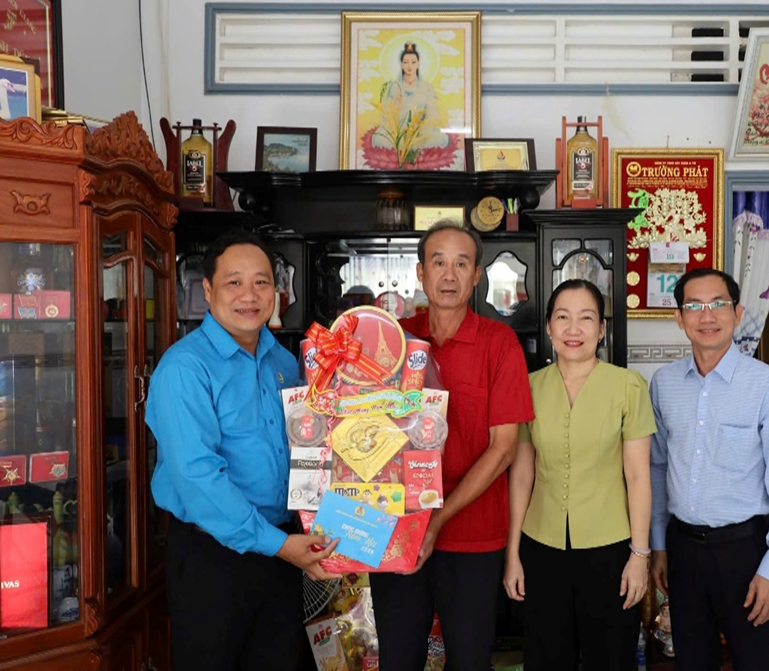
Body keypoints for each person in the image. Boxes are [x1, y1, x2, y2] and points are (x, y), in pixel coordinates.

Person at [146, 230, 339, 671]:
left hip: (284, 550)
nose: (249, 296)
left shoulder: (284, 363)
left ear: (276, 291)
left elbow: (312, 448)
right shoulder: (184, 368)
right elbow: (197, 478)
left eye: (261, 282)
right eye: (234, 282)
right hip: (213, 558)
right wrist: (280, 546)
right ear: (208, 289)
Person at [369, 220, 534, 671]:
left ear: (477, 275)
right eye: (438, 262)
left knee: (470, 660)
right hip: (396, 529)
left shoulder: (499, 344)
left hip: (473, 537)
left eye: (461, 264)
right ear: (420, 273)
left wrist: (438, 519)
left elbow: (503, 449)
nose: (449, 274)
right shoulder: (393, 340)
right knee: (398, 658)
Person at [648, 268, 769, 671]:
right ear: (679, 318)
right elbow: (658, 467)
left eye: (718, 304)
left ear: (737, 313)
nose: (707, 316)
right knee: (690, 660)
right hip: (683, 550)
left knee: (752, 660)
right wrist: (659, 545)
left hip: (745, 551)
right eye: (694, 306)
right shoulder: (663, 384)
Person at [503, 279, 655, 670]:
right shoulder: (529, 387)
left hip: (611, 549)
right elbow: (521, 476)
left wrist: (640, 556)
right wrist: (513, 553)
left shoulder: (628, 386)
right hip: (541, 548)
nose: (574, 329)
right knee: (547, 659)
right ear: (549, 327)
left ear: (601, 329)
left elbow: (638, 476)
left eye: (586, 318)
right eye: (563, 317)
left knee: (611, 658)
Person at [372, 41, 449, 153]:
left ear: (418, 64)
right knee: (379, 138)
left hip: (420, 133)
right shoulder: (395, 87)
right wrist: (397, 108)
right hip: (398, 133)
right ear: (401, 64)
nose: (409, 66)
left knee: (440, 138)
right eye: (406, 62)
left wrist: (420, 130)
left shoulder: (426, 87)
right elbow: (386, 117)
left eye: (413, 62)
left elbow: (432, 115)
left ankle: (412, 147)